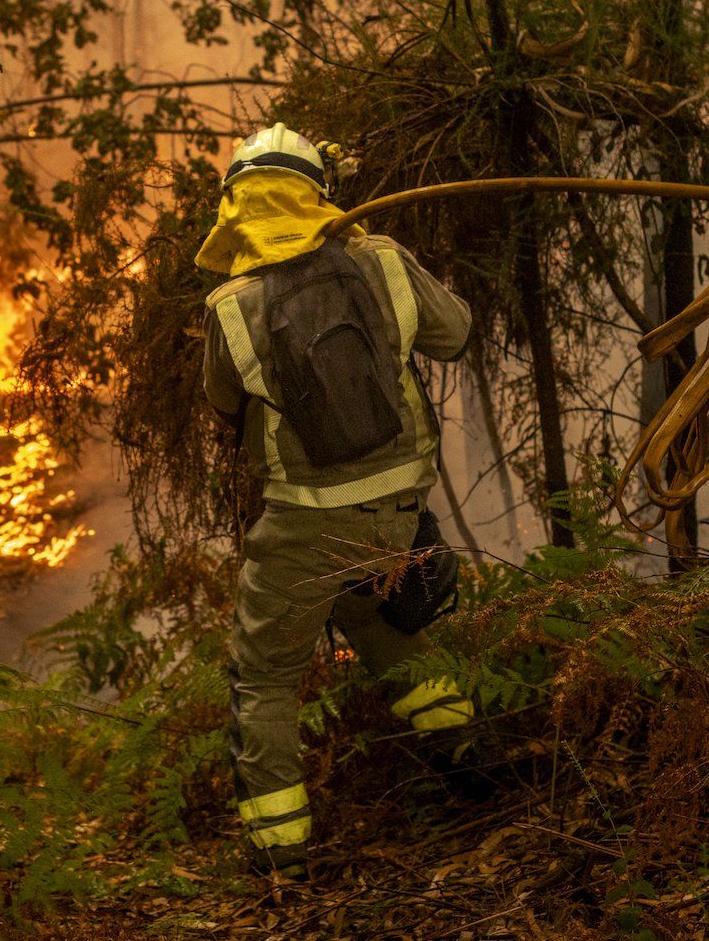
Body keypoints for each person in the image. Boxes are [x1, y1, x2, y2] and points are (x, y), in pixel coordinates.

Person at [197, 122, 475, 879]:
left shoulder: (231, 305)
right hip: (398, 508)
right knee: (374, 618)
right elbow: (454, 335)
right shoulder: (380, 258)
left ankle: (279, 854)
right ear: (320, 194)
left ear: (234, 209)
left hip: (305, 521)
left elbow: (224, 405)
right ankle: (467, 756)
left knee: (264, 676)